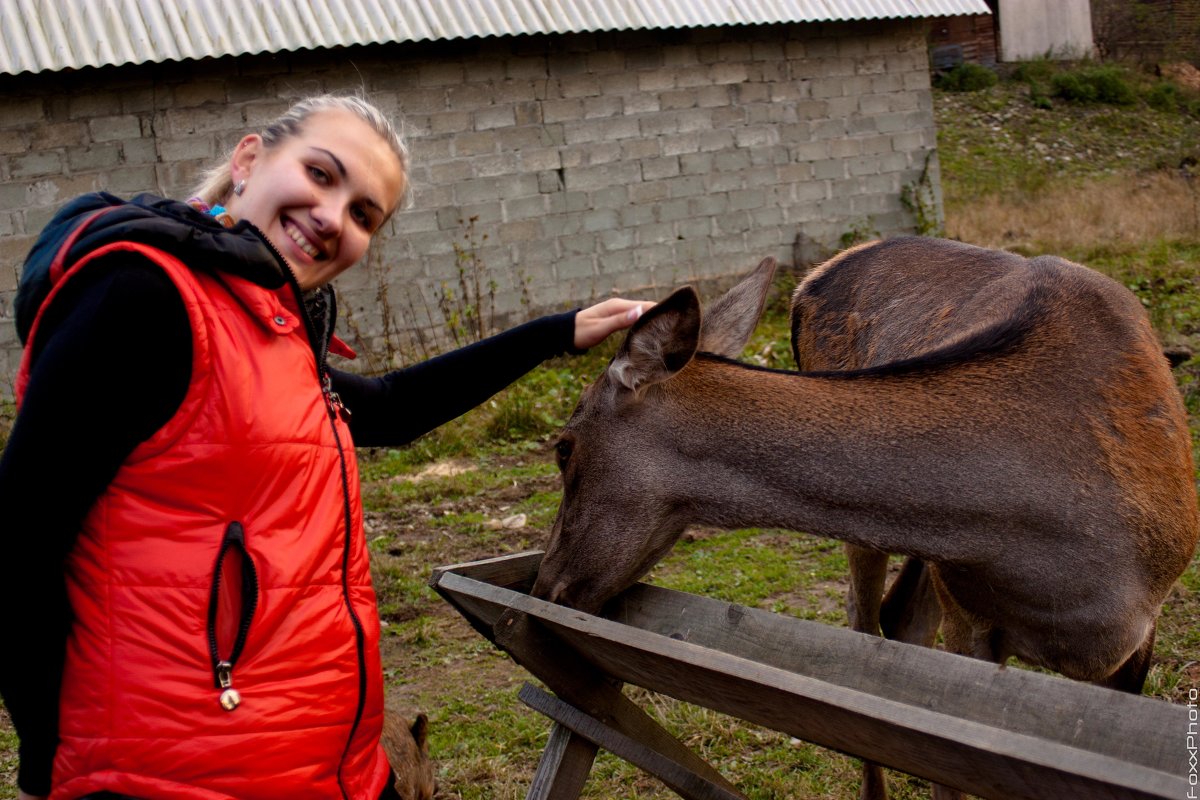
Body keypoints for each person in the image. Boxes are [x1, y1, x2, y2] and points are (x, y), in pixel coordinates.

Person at [0, 94, 648, 800]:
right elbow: (17, 547)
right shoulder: (144, 298)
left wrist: (555, 333)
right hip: (174, 773)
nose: (332, 216)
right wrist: (44, 765)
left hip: (317, 762)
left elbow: (393, 409)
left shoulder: (269, 332)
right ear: (249, 161)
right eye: (321, 174)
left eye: (364, 214)